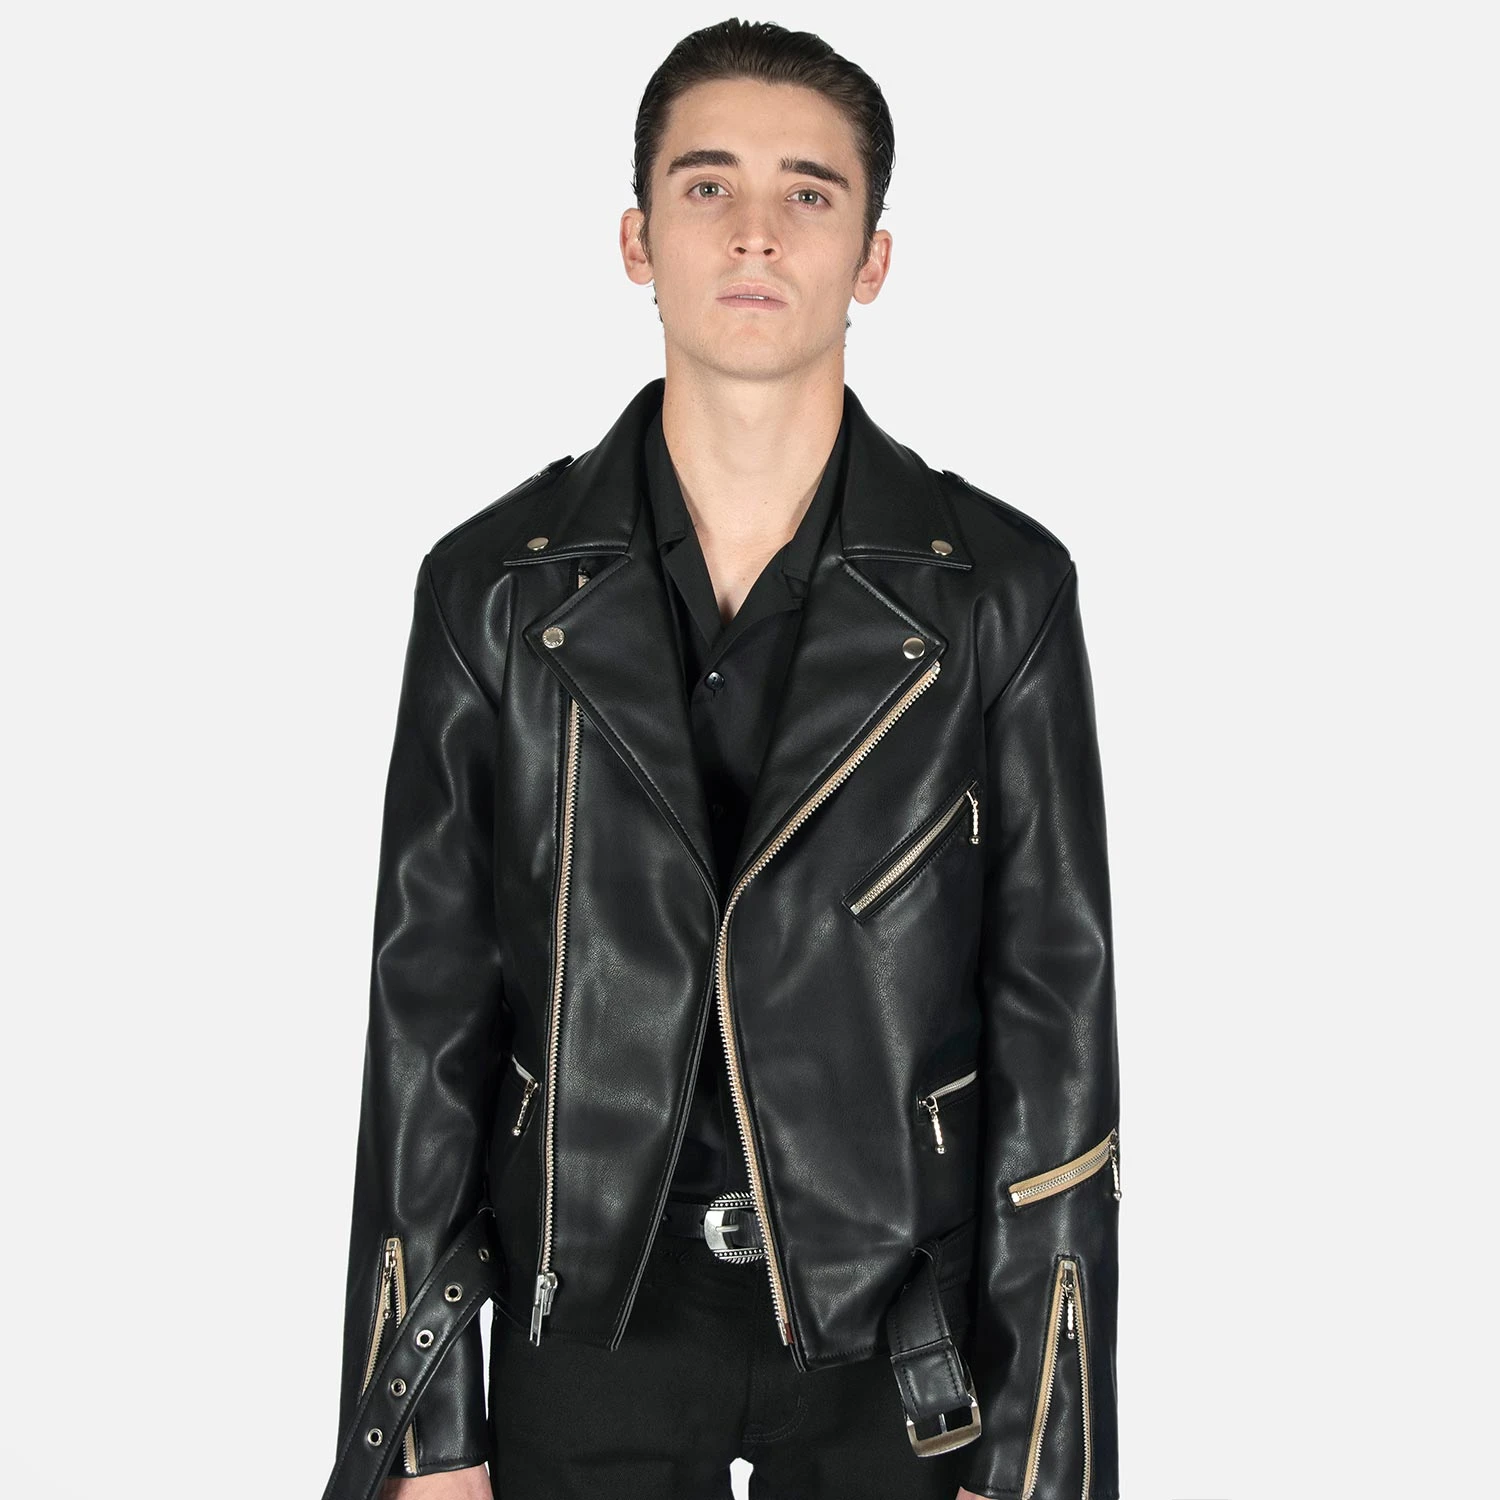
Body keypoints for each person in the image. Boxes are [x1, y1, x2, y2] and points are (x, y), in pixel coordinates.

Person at [330, 17, 1121, 1500]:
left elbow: (1057, 1034)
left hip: (901, 1334)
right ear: (637, 239)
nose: (757, 232)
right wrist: (426, 1428)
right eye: (708, 187)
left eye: (809, 193)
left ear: (873, 257)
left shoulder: (999, 594)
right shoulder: (491, 590)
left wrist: (1039, 1451)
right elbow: (423, 1022)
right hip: (588, 1318)